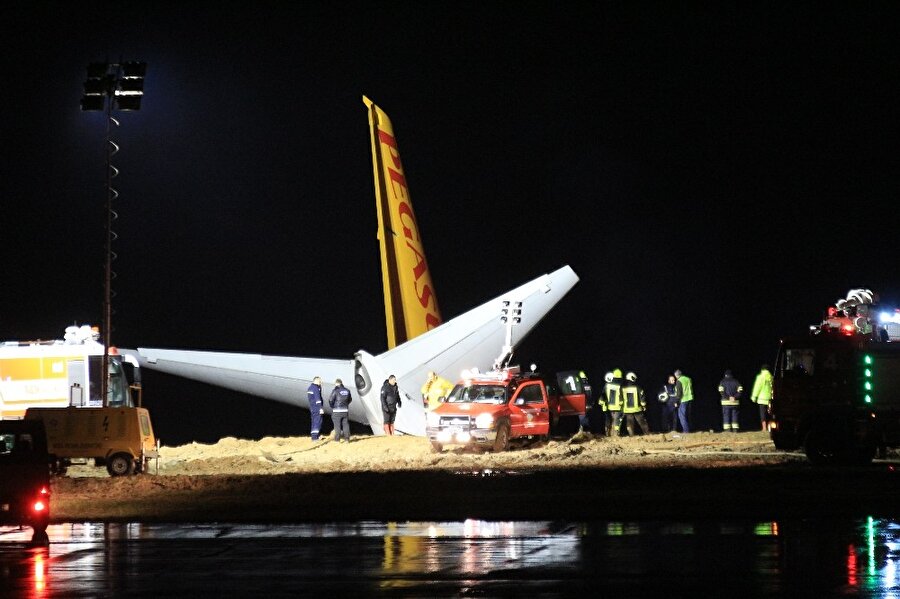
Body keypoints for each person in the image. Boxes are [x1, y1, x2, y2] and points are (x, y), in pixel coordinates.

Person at [621, 372, 650, 436]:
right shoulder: (638, 388)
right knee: (642, 423)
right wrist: (644, 406)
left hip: (627, 410)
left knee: (629, 423)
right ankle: (647, 434)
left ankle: (631, 436)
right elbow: (642, 399)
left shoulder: (623, 388)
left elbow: (621, 399)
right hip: (637, 409)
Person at [750, 364, 774, 431]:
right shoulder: (771, 377)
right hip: (769, 399)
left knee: (762, 414)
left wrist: (754, 397)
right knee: (770, 414)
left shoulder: (760, 377)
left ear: (762, 369)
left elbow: (757, 387)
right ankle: (770, 427)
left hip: (761, 399)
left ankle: (764, 427)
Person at [329, 378, 353, 443]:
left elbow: (331, 400)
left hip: (337, 411)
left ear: (336, 383)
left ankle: (337, 440)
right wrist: (346, 405)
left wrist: (333, 406)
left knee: (337, 425)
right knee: (346, 424)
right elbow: (350, 399)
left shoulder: (335, 390)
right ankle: (347, 439)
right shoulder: (347, 390)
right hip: (345, 411)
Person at [603, 369, 625, 437]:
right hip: (617, 406)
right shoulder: (620, 386)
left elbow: (603, 396)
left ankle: (607, 433)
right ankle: (616, 433)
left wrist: (604, 404)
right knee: (617, 420)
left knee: (609, 419)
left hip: (609, 406)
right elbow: (621, 397)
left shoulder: (607, 385)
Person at [306, 376, 325, 441]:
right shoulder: (315, 388)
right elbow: (318, 399)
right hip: (317, 408)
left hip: (312, 407)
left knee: (314, 421)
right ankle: (315, 437)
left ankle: (314, 436)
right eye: (320, 382)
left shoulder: (310, 388)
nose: (320, 383)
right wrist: (320, 408)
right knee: (318, 421)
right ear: (317, 381)